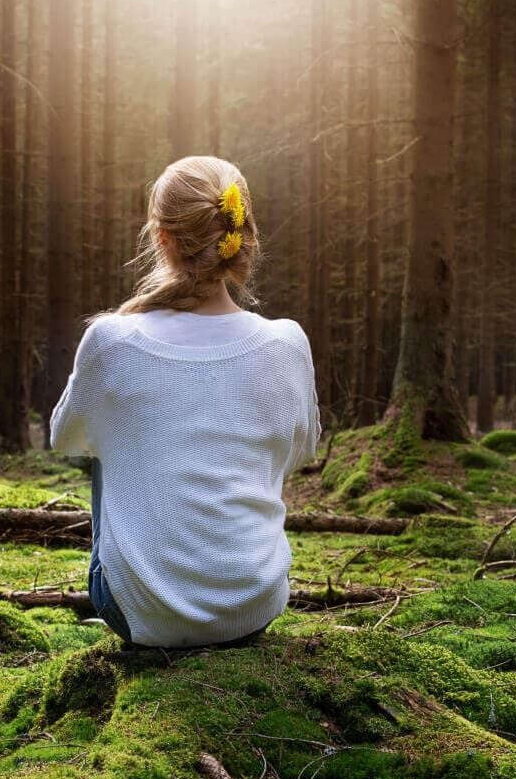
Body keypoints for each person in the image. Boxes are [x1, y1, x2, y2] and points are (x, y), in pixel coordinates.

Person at [49, 155, 321, 649]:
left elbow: (66, 437)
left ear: (162, 238)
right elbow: (301, 451)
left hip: (135, 614)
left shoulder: (111, 339)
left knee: (105, 448)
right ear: (243, 235)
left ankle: (159, 586)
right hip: (253, 606)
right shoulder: (287, 343)